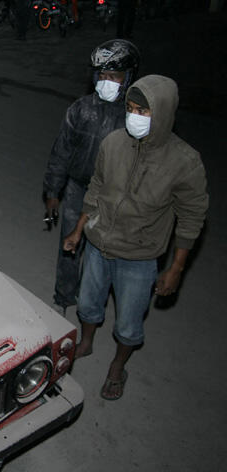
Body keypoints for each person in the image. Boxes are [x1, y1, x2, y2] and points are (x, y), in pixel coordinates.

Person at [63, 74, 208, 400]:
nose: (133, 117)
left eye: (143, 112)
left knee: (128, 324)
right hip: (99, 245)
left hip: (139, 258)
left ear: (164, 113)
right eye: (129, 108)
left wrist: (176, 268)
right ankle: (86, 342)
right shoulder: (114, 142)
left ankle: (118, 366)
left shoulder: (184, 162)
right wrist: (78, 230)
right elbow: (96, 188)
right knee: (87, 305)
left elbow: (192, 217)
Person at [43, 39, 140, 314]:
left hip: (112, 198)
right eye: (102, 75)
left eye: (114, 76)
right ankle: (63, 299)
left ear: (129, 77)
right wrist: (52, 192)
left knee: (101, 256)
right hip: (77, 189)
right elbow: (60, 152)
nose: (106, 81)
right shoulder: (81, 109)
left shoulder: (133, 118)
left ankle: (89, 309)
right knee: (69, 249)